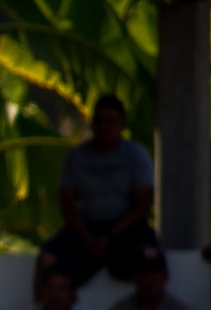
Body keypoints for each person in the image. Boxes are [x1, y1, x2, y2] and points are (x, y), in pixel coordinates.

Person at [38, 96, 157, 292]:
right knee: (47, 258)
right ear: (92, 124)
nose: (105, 128)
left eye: (111, 122)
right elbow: (67, 206)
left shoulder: (136, 155)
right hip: (84, 230)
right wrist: (88, 238)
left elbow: (142, 206)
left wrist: (109, 236)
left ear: (123, 125)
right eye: (100, 122)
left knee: (151, 257)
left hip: (127, 228)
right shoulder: (76, 157)